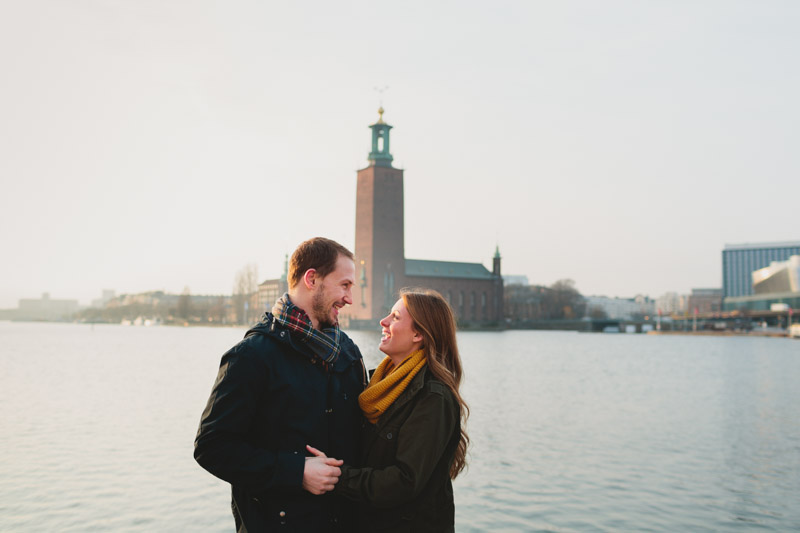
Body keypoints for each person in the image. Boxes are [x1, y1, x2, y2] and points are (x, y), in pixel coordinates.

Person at [194, 237, 367, 532]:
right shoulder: (251, 356)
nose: (350, 298)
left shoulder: (347, 353)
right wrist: (295, 471)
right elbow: (212, 447)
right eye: (345, 285)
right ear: (312, 279)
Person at [308, 288, 469, 533]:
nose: (382, 322)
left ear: (418, 334)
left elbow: (404, 481)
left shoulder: (433, 398)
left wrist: (334, 477)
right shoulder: (375, 386)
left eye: (394, 317)